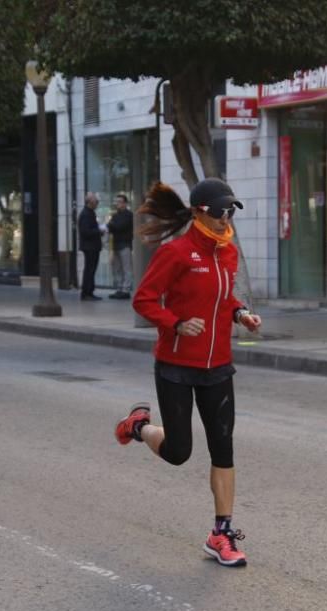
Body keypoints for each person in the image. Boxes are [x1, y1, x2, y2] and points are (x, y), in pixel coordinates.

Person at [114, 177, 262, 568]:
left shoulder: (226, 253)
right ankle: (139, 426)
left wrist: (238, 313)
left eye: (231, 210)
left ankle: (222, 533)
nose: (225, 217)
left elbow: (222, 296)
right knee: (179, 452)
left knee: (224, 448)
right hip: (177, 366)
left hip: (218, 366)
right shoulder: (176, 253)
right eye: (219, 211)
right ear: (199, 211)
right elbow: (143, 299)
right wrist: (175, 323)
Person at [106, 193, 134, 299]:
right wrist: (112, 226)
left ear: (125, 203)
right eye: (116, 202)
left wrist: (113, 225)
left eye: (120, 202)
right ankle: (119, 288)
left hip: (125, 244)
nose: (117, 204)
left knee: (126, 268)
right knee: (117, 268)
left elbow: (120, 226)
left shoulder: (128, 215)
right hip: (116, 245)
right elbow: (110, 226)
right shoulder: (115, 215)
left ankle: (125, 290)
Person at [78, 192, 103, 301]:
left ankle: (89, 291)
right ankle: (87, 292)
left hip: (92, 246)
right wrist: (99, 231)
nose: (97, 203)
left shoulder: (89, 213)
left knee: (90, 269)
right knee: (89, 269)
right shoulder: (86, 214)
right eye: (95, 201)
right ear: (90, 202)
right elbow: (85, 232)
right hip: (90, 247)